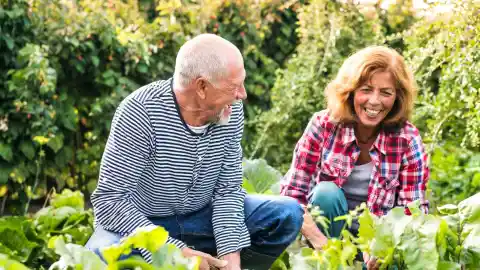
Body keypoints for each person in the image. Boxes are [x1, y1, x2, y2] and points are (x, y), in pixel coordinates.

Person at [85, 33, 303, 270]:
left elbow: (227, 192)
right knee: (101, 254)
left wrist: (231, 259)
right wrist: (175, 251)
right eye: (234, 86)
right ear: (201, 86)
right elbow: (110, 201)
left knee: (287, 213)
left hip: (202, 219)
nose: (242, 94)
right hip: (144, 225)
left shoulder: (230, 110)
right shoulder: (141, 112)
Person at [280, 46, 429, 269]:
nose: (375, 101)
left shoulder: (407, 139)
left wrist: (382, 246)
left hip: (376, 242)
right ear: (350, 91)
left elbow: (412, 210)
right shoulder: (324, 126)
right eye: (366, 89)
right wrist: (321, 243)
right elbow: (292, 195)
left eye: (386, 93)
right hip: (324, 237)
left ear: (397, 97)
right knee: (326, 193)